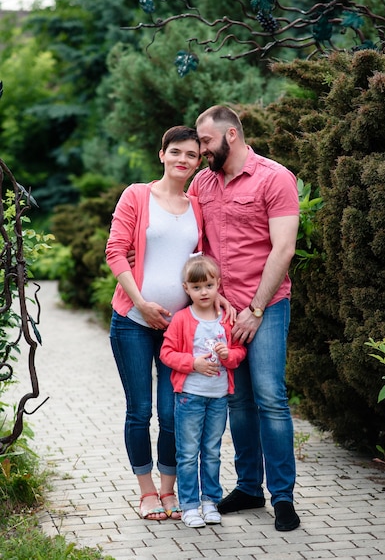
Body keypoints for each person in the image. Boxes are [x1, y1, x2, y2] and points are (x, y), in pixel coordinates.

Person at [188, 105, 301, 532]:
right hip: (222, 312)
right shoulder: (203, 182)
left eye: (204, 141)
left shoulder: (275, 178)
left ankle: (284, 497)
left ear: (230, 135)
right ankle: (250, 487)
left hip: (266, 307)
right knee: (237, 400)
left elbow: (283, 249)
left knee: (270, 398)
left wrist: (255, 309)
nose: (200, 150)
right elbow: (196, 245)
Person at [105, 125, 203, 521]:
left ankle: (168, 490)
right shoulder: (137, 195)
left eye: (192, 155)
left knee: (172, 413)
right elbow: (115, 252)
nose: (183, 160)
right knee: (139, 410)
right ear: (161, 154)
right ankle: (146, 492)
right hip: (132, 319)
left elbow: (204, 263)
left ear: (198, 162)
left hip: (177, 329)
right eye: (176, 152)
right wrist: (142, 303)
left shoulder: (197, 203)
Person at [160, 254, 246, 528]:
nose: (203, 292)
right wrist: (193, 363)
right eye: (196, 287)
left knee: (211, 451)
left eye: (208, 285)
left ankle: (210, 501)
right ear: (186, 289)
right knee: (187, 453)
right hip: (189, 397)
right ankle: (189, 505)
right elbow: (167, 353)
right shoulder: (182, 319)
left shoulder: (226, 319)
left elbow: (239, 353)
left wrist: (228, 355)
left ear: (218, 284)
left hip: (219, 397)